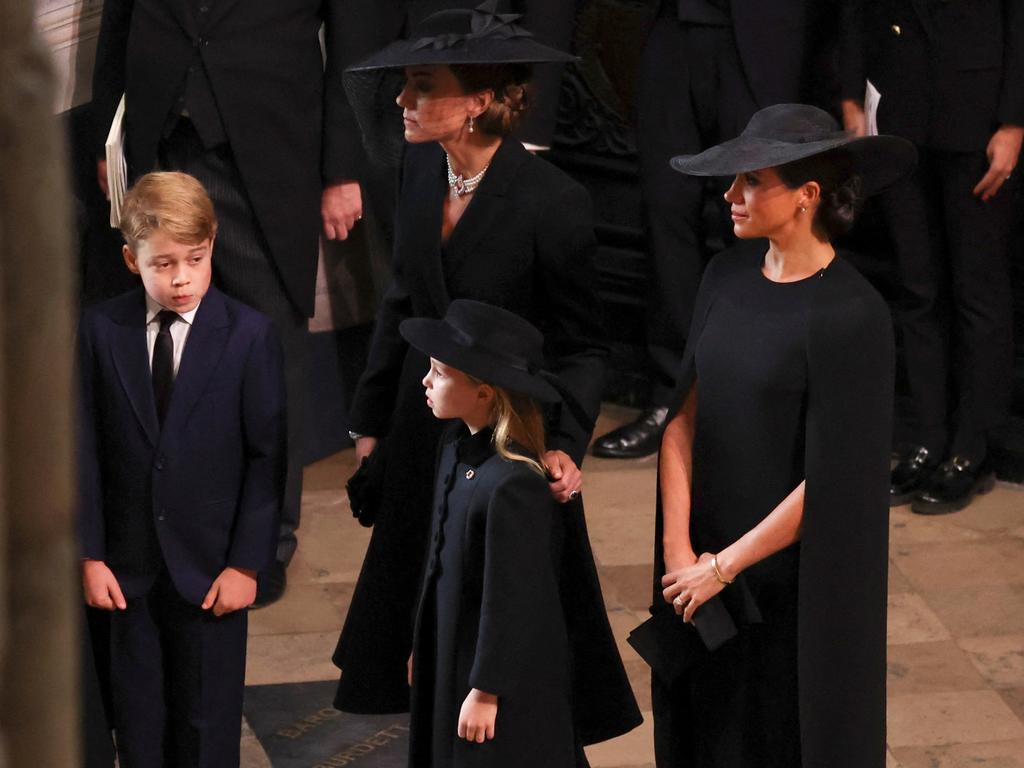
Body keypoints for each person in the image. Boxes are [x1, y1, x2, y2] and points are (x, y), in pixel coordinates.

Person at [332, 5, 638, 744]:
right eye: (404, 87)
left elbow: (583, 344)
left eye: (420, 86)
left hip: (508, 444)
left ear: (478, 99)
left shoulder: (551, 201)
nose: (402, 103)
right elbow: (400, 305)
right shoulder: (414, 170)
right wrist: (370, 426)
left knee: (504, 631)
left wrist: (562, 442)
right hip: (421, 424)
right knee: (416, 624)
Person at [90, 0, 384, 603]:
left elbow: (357, 41)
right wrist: (108, 137)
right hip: (157, 139)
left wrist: (342, 169)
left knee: (269, 347)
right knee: (161, 344)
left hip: (271, 146)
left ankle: (265, 543)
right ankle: (174, 526)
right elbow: (119, 19)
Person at [652, 104, 915, 767]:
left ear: (806, 196)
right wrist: (680, 551)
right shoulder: (723, 277)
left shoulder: (852, 315)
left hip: (792, 586)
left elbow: (835, 481)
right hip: (704, 569)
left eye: (751, 181)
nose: (730, 195)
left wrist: (724, 566)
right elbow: (681, 418)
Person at [77, 172, 286, 766]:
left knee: (206, 724)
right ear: (129, 258)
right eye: (162, 263)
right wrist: (90, 555)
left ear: (213, 246)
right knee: (138, 725)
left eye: (195, 259)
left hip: (213, 569)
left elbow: (267, 458)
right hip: (127, 570)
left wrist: (248, 563)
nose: (181, 278)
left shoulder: (250, 336)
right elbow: (84, 447)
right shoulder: (100, 331)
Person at [399, 299, 640, 766]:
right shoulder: (455, 450)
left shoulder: (514, 484)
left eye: (440, 372)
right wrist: (424, 643)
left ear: (485, 392)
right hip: (453, 649)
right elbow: (438, 562)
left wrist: (487, 689)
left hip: (500, 674)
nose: (426, 382)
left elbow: (513, 598)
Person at [591, 0, 811, 459]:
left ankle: (754, 401)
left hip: (763, 35)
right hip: (670, 26)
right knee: (665, 212)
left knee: (760, 215)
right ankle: (670, 400)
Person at [840, 0, 1024, 514]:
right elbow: (855, 12)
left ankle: (973, 447)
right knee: (917, 288)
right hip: (897, 106)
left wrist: (1014, 122)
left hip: (980, 115)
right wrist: (851, 96)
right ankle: (927, 439)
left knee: (977, 290)